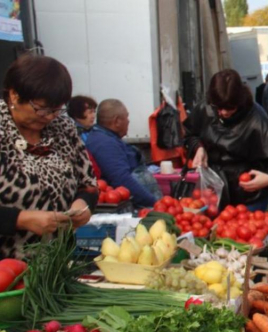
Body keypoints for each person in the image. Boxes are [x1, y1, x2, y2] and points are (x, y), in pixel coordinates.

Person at [0, 55, 96, 259]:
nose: (50, 116)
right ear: (15, 95)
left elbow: (88, 183)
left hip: (56, 262)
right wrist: (20, 219)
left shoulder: (63, 128)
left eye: (56, 109)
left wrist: (82, 204)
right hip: (6, 268)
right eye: (41, 108)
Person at [184, 69, 268, 210]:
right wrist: (199, 147)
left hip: (247, 196)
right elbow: (190, 134)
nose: (224, 112)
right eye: (219, 108)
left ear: (240, 101)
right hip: (212, 192)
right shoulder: (205, 108)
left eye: (230, 108)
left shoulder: (256, 118)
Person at [86, 99, 161, 207]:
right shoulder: (104, 144)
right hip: (138, 206)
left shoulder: (107, 137)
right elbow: (122, 180)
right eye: (127, 117)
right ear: (117, 121)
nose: (128, 121)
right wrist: (154, 202)